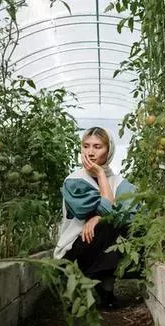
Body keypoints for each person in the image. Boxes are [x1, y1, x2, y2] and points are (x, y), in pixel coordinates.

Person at [54, 127, 137, 307]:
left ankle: (105, 288)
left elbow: (130, 217)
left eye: (97, 147)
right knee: (107, 225)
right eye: (86, 146)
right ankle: (73, 282)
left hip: (101, 246)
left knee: (121, 228)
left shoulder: (121, 184)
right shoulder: (75, 181)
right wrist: (100, 173)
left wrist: (97, 217)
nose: (90, 153)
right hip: (75, 249)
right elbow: (108, 211)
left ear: (109, 151)